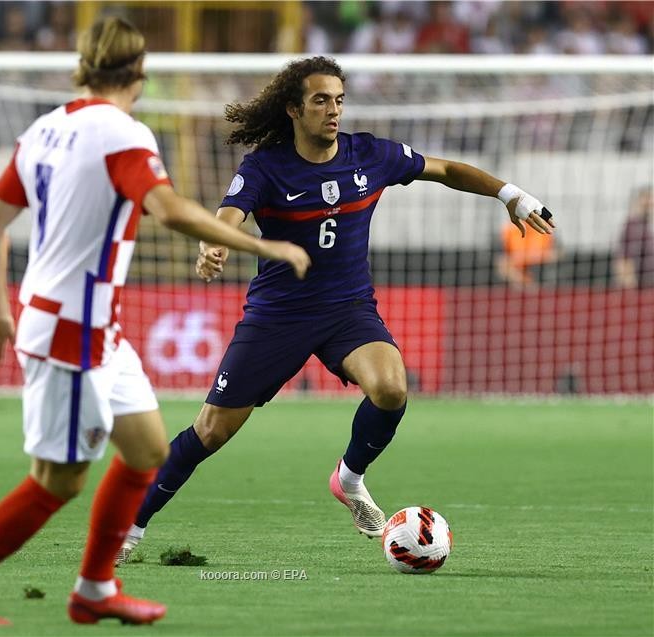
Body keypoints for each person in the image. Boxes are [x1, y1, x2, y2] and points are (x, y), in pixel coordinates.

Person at [0, 17, 310, 627]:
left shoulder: (45, 129)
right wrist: (269, 248)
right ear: (139, 72)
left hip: (94, 327)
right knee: (58, 481)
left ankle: (96, 588)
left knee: (147, 449)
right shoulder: (123, 135)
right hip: (71, 330)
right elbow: (170, 210)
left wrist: (0, 309)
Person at [116, 55, 555, 564]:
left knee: (391, 388)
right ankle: (130, 526)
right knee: (211, 431)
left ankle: (348, 477)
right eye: (321, 100)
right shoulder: (266, 165)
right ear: (294, 110)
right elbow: (230, 214)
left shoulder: (369, 155)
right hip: (278, 316)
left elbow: (446, 169)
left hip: (347, 309)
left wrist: (510, 194)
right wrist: (215, 245)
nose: (333, 111)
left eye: (339, 100)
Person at [495, 219, 558, 290]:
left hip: (539, 266)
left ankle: (529, 288)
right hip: (517, 269)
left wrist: (527, 257)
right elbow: (502, 258)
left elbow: (555, 254)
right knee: (504, 265)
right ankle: (527, 287)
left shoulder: (546, 228)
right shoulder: (509, 230)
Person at [614, 186, 653, 288]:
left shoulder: (649, 225)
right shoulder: (632, 226)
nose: (649, 203)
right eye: (646, 199)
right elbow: (623, 260)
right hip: (642, 288)